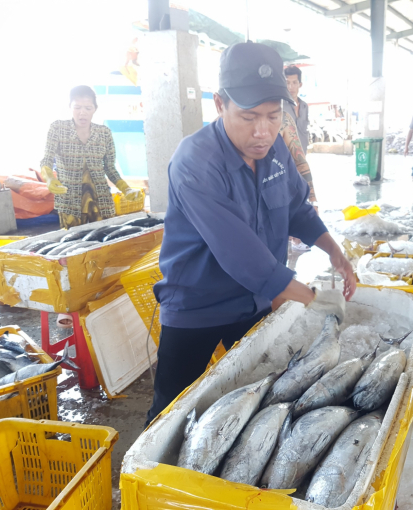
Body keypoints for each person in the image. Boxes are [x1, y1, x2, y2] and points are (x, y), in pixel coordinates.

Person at [146, 42, 356, 426]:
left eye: (274, 116)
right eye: (249, 116)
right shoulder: (195, 162)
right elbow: (241, 254)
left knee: (261, 401)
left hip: (255, 302)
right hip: (197, 304)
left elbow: (296, 208)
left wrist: (334, 252)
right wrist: (313, 300)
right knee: (170, 411)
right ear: (218, 104)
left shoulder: (274, 149)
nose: (263, 131)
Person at [40, 85, 142, 229]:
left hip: (101, 201)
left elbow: (110, 168)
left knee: (105, 241)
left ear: (95, 108)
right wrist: (49, 178)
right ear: (70, 107)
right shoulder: (57, 128)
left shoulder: (104, 133)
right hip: (70, 201)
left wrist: (126, 189)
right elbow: (47, 159)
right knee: (72, 243)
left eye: (88, 108)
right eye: (77, 107)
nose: (82, 113)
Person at [283, 65, 309, 154]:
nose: (291, 87)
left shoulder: (305, 106)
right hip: (285, 156)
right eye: (287, 83)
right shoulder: (280, 106)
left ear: (300, 84)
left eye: (294, 83)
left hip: (302, 156)